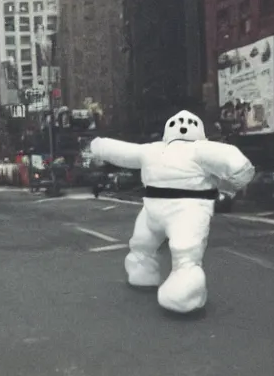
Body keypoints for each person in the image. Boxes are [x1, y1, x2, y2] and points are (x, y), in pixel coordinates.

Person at [89, 110, 254, 314]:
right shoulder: (202, 149)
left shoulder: (153, 150)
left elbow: (121, 151)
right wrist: (233, 184)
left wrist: (98, 146)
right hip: (183, 209)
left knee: (150, 245)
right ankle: (179, 290)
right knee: (179, 251)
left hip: (166, 209)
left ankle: (160, 280)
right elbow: (236, 163)